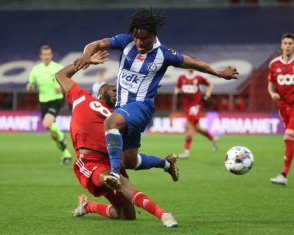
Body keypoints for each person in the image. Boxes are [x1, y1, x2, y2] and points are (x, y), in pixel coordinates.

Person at [74, 8, 238, 188]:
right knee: (128, 161)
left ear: (154, 35)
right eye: (136, 37)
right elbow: (95, 44)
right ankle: (167, 164)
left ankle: (114, 176)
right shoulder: (125, 42)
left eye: (143, 38)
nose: (138, 41)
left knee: (110, 123)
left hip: (142, 106)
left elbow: (192, 62)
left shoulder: (164, 54)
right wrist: (85, 57)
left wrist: (219, 72)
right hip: (122, 107)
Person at [55, 51, 178, 228]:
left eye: (119, 93)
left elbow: (131, 159)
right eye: (114, 90)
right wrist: (85, 61)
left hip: (112, 160)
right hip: (90, 161)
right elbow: (60, 75)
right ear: (101, 90)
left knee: (127, 215)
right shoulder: (81, 96)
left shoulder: (119, 115)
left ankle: (87, 206)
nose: (117, 94)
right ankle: (163, 214)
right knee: (116, 179)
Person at [26, 45, 72, 165]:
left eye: (48, 54)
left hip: (56, 100)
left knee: (47, 124)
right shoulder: (36, 70)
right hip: (43, 102)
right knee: (52, 133)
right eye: (44, 54)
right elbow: (30, 84)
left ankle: (62, 136)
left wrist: (61, 88)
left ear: (51, 55)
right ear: (41, 56)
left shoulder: (58, 68)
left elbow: (67, 84)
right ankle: (65, 153)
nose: (46, 56)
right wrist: (30, 87)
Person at [268, 33, 294, 185]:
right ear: (281, 45)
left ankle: (283, 174)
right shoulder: (274, 64)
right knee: (290, 141)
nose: (288, 45)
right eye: (285, 43)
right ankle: (283, 175)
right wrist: (272, 93)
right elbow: (270, 83)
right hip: (283, 107)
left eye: (290, 43)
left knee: (289, 136)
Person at [175, 69, 218, 159]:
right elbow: (177, 88)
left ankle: (186, 151)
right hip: (186, 106)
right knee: (197, 128)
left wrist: (207, 94)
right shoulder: (181, 77)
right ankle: (213, 138)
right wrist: (177, 92)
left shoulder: (198, 77)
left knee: (188, 126)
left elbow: (210, 84)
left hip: (195, 105)